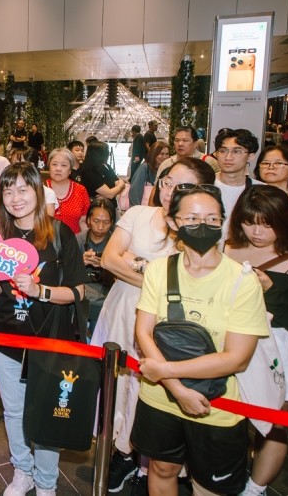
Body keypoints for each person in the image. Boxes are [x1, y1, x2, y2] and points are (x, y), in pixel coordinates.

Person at [131, 185, 268, 496]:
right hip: (160, 397)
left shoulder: (243, 281)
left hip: (215, 404)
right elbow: (144, 332)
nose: (202, 226)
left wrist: (164, 373)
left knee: (210, 486)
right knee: (162, 468)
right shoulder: (159, 270)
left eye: (211, 218)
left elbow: (236, 358)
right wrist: (178, 391)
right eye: (191, 218)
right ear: (174, 222)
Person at [95, 157, 216, 493]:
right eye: (166, 182)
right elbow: (109, 258)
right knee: (117, 382)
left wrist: (136, 265)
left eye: (181, 185)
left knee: (148, 386)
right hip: (123, 309)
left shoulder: (196, 226)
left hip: (166, 323)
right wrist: (154, 276)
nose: (170, 191)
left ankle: (138, 455)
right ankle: (118, 447)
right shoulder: (138, 214)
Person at [0, 162, 85, 496]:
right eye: (8, 191)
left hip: (50, 340)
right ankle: (22, 471)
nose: (15, 197)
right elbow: (2, 289)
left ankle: (46, 482)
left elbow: (78, 292)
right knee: (13, 410)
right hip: (6, 335)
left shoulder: (59, 234)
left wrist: (43, 292)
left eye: (23, 189)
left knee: (47, 413)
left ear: (39, 191)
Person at [223, 185, 288, 496]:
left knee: (271, 425)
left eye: (267, 223)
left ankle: (255, 488)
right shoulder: (226, 249)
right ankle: (217, 476)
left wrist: (272, 290)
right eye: (250, 222)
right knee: (222, 417)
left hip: (275, 346)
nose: (258, 231)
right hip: (228, 340)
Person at [82, 199, 116, 329]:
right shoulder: (77, 240)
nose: (100, 227)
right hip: (82, 292)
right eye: (96, 221)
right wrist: (80, 263)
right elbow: (64, 273)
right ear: (88, 220)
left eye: (106, 222)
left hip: (106, 294)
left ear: (112, 223)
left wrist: (107, 266)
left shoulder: (116, 244)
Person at [45, 147, 90, 235]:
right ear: (49, 167)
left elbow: (83, 222)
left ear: (70, 170)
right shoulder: (40, 189)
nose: (58, 169)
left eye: (64, 165)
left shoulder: (80, 190)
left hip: (72, 243)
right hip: (45, 243)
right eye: (54, 164)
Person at [128, 141, 170, 206]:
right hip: (144, 209)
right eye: (161, 154)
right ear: (154, 154)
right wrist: (136, 210)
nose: (165, 157)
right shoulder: (144, 168)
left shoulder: (168, 170)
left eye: (167, 154)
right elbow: (135, 192)